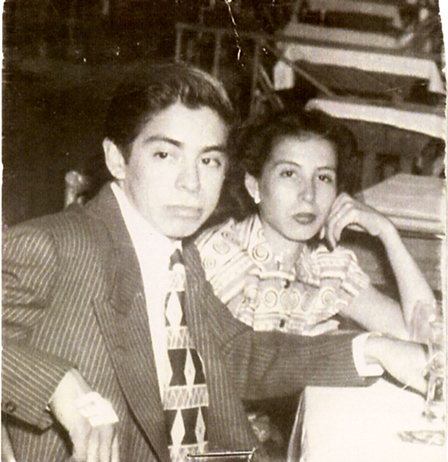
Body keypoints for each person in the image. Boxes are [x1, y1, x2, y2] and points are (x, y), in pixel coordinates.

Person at [2, 62, 429, 462]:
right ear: (117, 159)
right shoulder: (54, 244)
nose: (191, 183)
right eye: (165, 155)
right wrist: (57, 384)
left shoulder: (176, 249)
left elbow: (237, 352)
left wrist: (372, 349)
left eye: (208, 160)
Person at [196, 110, 437, 339]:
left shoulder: (326, 267)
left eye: (323, 177)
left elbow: (425, 337)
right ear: (254, 186)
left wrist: (388, 234)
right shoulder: (220, 254)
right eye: (289, 174)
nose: (308, 194)